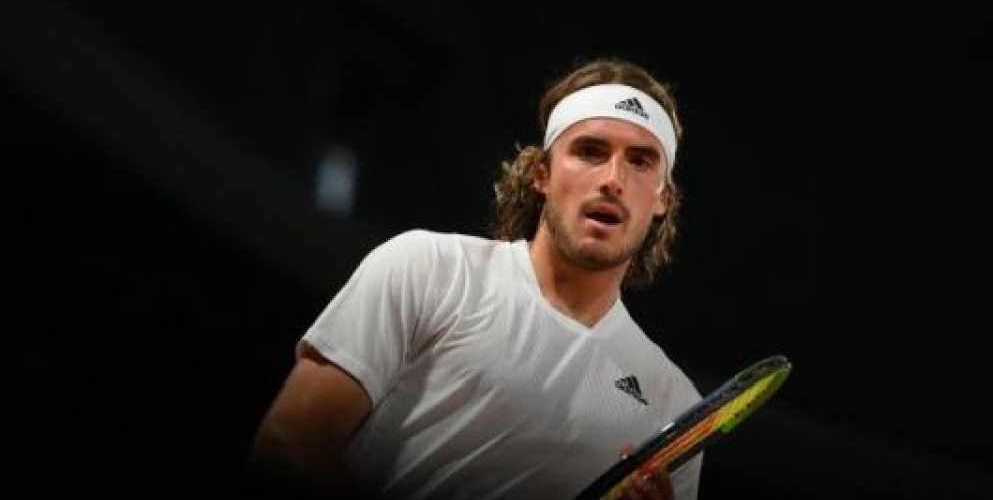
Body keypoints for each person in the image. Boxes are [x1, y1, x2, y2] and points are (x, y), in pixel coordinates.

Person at [247, 57, 702, 500]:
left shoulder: (673, 406)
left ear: (663, 199)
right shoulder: (428, 268)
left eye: (640, 161)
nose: (613, 179)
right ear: (541, 175)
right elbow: (287, 445)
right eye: (590, 151)